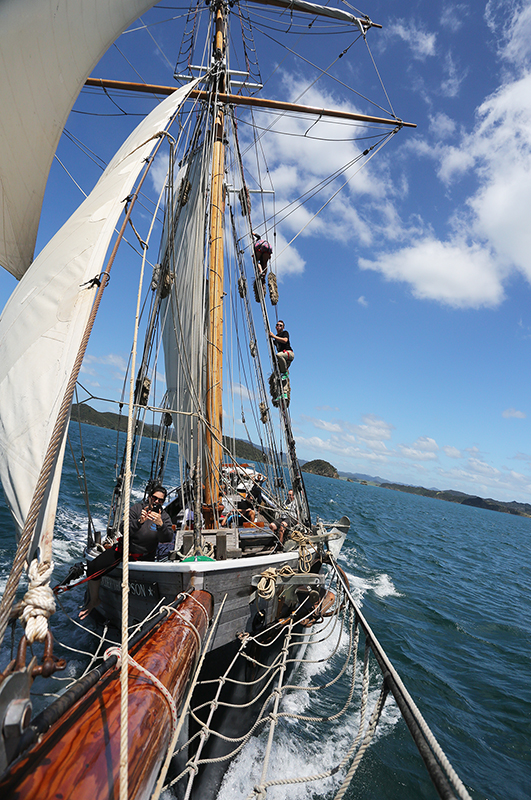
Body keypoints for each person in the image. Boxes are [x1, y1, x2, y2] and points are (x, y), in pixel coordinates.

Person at [79, 486, 173, 619]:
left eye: (161, 500)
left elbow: (167, 538)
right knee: (93, 567)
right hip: (124, 551)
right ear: (149, 497)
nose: (157, 501)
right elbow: (124, 528)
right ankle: (94, 599)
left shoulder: (164, 517)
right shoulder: (137, 509)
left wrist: (161, 525)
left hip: (145, 557)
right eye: (154, 498)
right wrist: (139, 522)